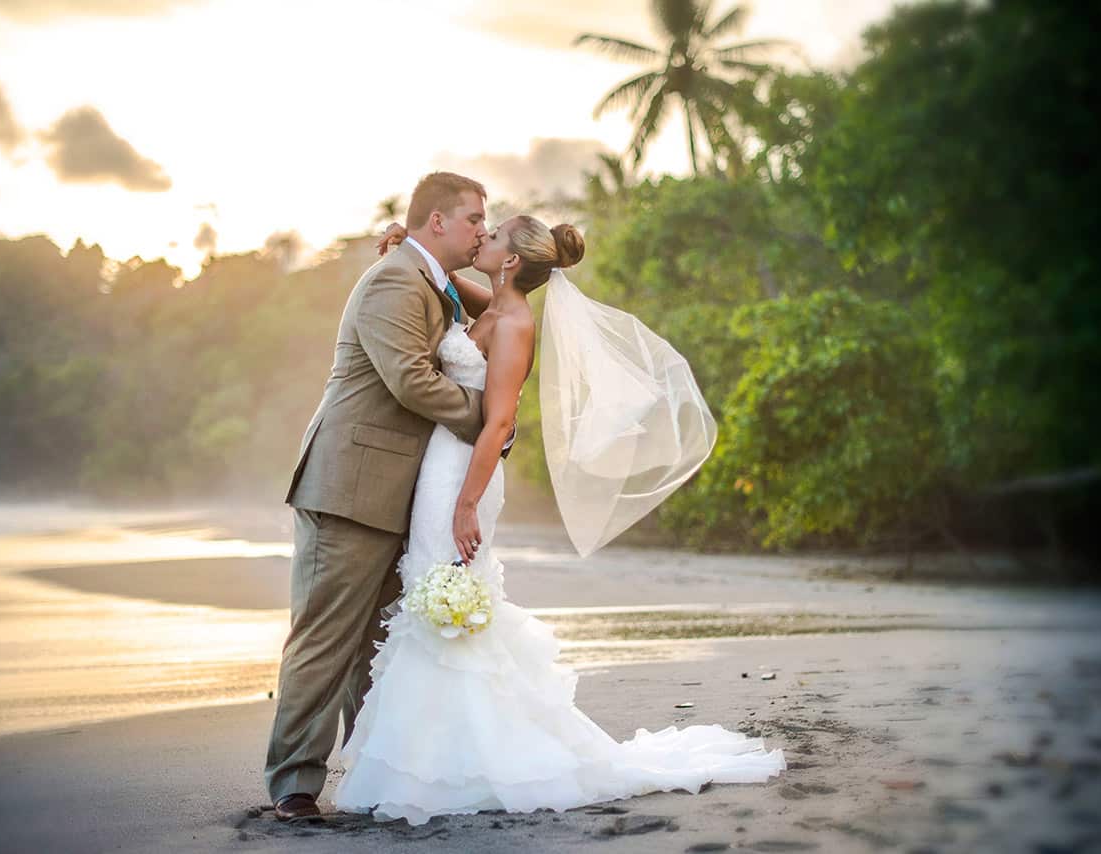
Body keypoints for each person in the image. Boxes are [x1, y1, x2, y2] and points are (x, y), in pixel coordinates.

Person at [333, 217, 785, 826]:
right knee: (431, 595)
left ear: (512, 261)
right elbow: (446, 286)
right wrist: (409, 249)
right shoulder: (494, 303)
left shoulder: (515, 323)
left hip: (465, 471)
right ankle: (444, 754)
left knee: (448, 597)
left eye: (491, 237)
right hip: (443, 464)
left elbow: (497, 422)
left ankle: (463, 762)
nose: (481, 239)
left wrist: (466, 504)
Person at [264, 172, 505, 821]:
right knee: (327, 638)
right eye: (475, 218)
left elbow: (502, 307)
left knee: (378, 646)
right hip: (348, 486)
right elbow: (409, 380)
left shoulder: (434, 280)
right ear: (437, 222)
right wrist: (490, 420)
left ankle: (371, 771)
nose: (483, 228)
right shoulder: (397, 280)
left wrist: (515, 272)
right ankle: (294, 783)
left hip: (397, 494)